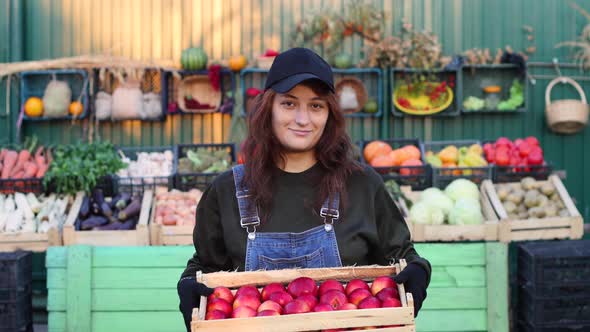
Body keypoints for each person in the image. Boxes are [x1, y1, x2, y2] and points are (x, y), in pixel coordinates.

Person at [177, 47, 430, 331]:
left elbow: (402, 256)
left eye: (316, 106)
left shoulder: (361, 185)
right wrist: (188, 285)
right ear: (268, 108)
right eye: (289, 103)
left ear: (329, 114)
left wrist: (418, 270)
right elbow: (204, 269)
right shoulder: (228, 192)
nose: (302, 119)